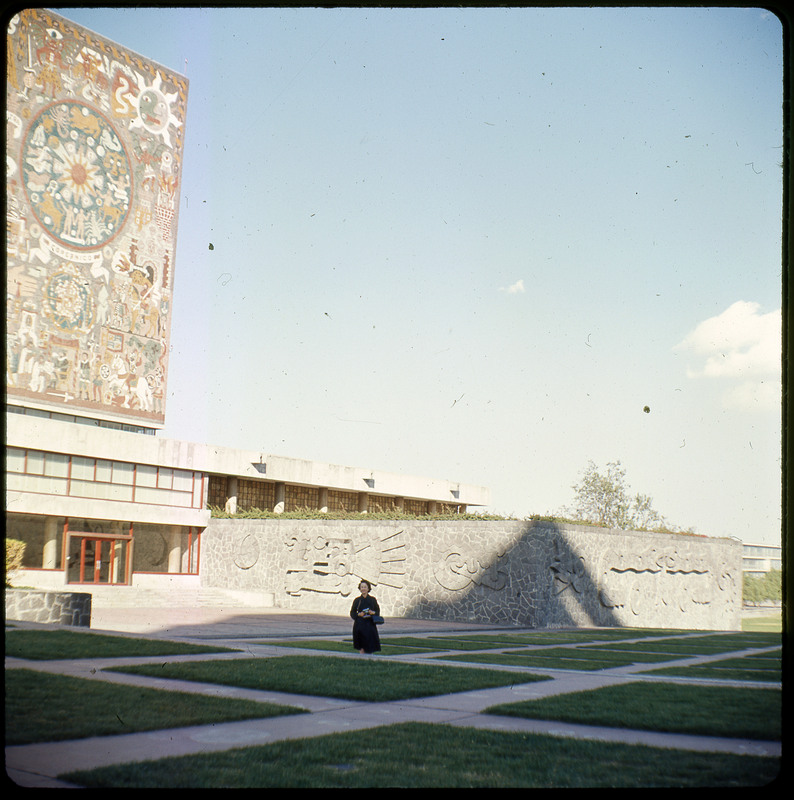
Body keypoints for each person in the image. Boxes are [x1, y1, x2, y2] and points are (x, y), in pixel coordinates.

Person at [350, 579, 381, 654]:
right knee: (361, 645)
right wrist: (359, 614)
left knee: (370, 645)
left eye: (365, 587)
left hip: (370, 625)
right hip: (360, 625)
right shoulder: (357, 600)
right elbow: (352, 612)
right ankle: (362, 659)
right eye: (362, 587)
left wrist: (373, 612)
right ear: (360, 589)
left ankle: (370, 660)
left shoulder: (372, 600)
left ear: (368, 588)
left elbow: (377, 611)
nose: (363, 589)